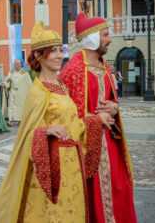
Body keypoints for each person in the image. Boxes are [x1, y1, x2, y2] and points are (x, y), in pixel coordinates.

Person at [0, 21, 113, 222]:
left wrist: (97, 120)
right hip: (53, 169)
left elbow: (73, 127)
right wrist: (44, 131)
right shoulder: (37, 92)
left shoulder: (61, 86)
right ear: (39, 56)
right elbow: (26, 136)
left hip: (73, 167)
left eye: (60, 50)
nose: (59, 55)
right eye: (52, 51)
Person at [59, 13, 137, 223]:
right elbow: (66, 119)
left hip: (111, 148)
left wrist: (113, 108)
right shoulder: (73, 71)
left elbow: (113, 103)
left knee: (121, 191)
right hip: (88, 150)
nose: (110, 39)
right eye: (105, 35)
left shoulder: (105, 68)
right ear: (93, 38)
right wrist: (96, 119)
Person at [0, 58, 32, 126]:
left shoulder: (25, 73)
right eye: (16, 63)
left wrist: (30, 92)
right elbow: (7, 81)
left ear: (21, 64)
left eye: (19, 63)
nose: (17, 65)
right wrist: (4, 84)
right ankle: (10, 120)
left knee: (21, 106)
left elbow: (29, 83)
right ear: (14, 64)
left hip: (21, 93)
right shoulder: (11, 72)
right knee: (11, 105)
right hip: (12, 91)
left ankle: (21, 119)